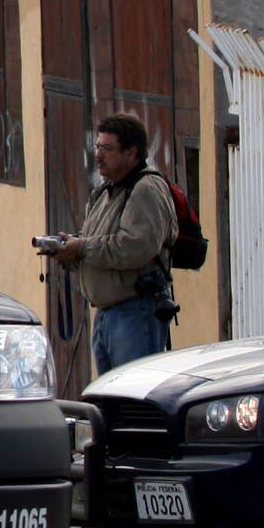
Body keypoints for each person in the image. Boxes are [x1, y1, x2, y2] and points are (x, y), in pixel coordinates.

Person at [49, 112, 181, 374]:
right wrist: (70, 252)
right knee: (110, 404)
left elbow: (135, 248)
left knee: (131, 401)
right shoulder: (105, 192)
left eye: (108, 149)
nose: (98, 155)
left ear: (132, 153)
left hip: (135, 313)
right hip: (107, 315)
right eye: (98, 147)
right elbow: (98, 247)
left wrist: (82, 247)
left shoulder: (146, 189)